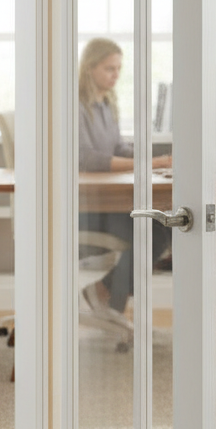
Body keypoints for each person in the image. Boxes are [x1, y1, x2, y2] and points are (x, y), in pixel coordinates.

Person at [78, 37, 172, 331]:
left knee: (162, 224)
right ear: (89, 68)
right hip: (86, 207)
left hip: (108, 202)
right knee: (153, 232)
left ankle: (106, 297)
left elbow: (117, 147)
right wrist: (147, 165)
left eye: (118, 69)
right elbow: (88, 159)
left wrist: (155, 158)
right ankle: (106, 296)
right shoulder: (75, 105)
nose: (115, 75)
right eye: (109, 69)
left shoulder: (106, 104)